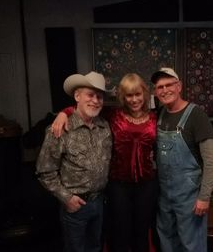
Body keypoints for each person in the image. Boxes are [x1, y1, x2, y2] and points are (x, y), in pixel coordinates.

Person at [52, 73, 159, 252]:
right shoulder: (112, 115)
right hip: (118, 185)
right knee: (119, 232)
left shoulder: (156, 117)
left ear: (145, 94)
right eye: (129, 95)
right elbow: (84, 109)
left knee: (142, 231)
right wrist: (64, 112)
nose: (134, 100)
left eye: (138, 94)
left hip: (147, 184)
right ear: (122, 97)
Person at [36, 71, 113, 252]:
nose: (95, 100)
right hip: (76, 204)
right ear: (77, 96)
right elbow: (44, 171)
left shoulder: (105, 126)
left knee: (95, 247)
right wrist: (67, 198)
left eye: (99, 97)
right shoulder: (60, 128)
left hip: (100, 202)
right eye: (90, 95)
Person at [151, 67, 213, 252]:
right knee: (167, 242)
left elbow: (212, 162)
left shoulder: (197, 115)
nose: (165, 90)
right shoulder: (160, 115)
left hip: (189, 198)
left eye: (169, 85)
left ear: (179, 86)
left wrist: (204, 197)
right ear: (155, 92)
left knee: (192, 246)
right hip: (164, 196)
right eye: (160, 87)